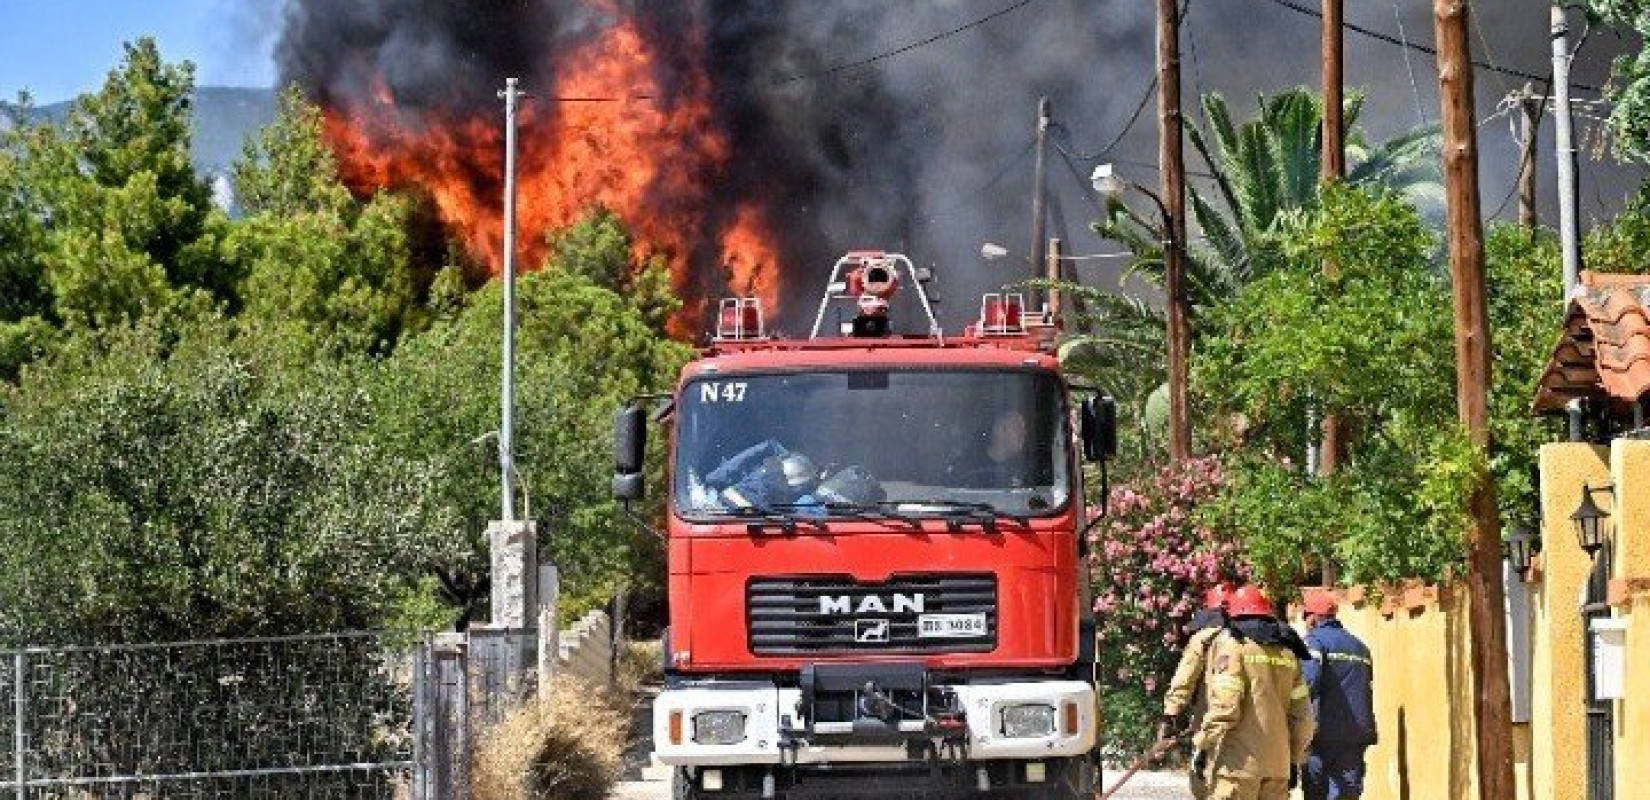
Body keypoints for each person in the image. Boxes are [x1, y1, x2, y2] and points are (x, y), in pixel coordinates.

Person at [1191, 585, 1315, 800]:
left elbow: (1226, 707)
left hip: (1238, 766)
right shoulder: (1287, 653)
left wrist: (1202, 746)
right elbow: (1304, 719)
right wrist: (1294, 759)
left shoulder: (1234, 647)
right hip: (1278, 766)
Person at [1159, 583, 1233, 800]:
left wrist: (1170, 716)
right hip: (1256, 732)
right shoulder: (1256, 640)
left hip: (1212, 725)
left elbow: (1184, 680)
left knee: (1205, 785)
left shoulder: (1205, 638)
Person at [1300, 592, 1376, 800]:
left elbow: (1308, 683)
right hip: (1356, 734)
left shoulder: (1314, 642)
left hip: (1322, 733)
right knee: (1346, 794)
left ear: (1313, 617)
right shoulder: (1361, 647)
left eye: (1305, 617)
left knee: (1317, 792)